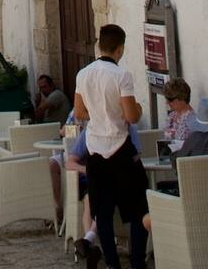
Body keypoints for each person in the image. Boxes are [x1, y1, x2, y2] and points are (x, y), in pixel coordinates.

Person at [72, 24, 149, 269]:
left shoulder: (83, 74)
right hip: (120, 149)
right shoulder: (121, 76)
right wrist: (137, 109)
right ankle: (137, 262)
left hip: (95, 151)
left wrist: (99, 114)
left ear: (99, 45)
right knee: (139, 210)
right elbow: (131, 116)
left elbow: (80, 112)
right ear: (121, 48)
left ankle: (113, 264)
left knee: (102, 213)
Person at [160, 78, 195, 152]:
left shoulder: (192, 119)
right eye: (166, 99)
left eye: (170, 99)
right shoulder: (171, 116)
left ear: (181, 98)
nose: (167, 102)